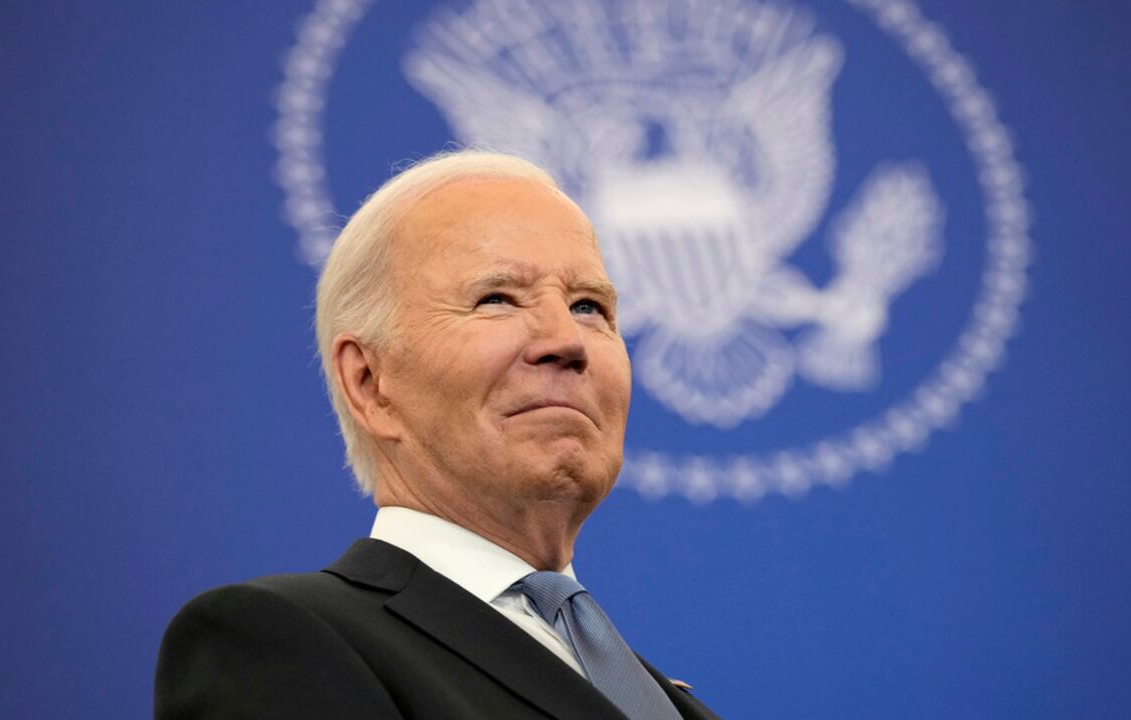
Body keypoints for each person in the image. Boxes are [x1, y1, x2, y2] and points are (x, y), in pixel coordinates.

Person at [154, 150, 721, 719]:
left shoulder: (665, 700)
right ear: (370, 382)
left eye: (589, 307)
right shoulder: (278, 644)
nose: (567, 341)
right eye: (496, 299)